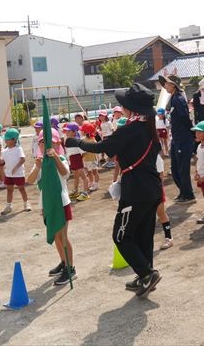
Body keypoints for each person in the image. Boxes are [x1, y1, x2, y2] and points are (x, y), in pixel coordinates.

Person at [66, 84, 163, 296]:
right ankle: (145, 275)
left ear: (131, 109)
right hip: (152, 189)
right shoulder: (148, 128)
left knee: (121, 235)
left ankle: (147, 274)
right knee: (143, 235)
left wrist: (76, 142)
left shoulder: (130, 129)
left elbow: (104, 148)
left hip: (136, 191)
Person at [27, 130, 76, 286]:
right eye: (42, 142)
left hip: (61, 203)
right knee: (56, 236)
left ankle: (70, 268)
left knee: (63, 236)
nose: (46, 145)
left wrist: (55, 157)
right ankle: (63, 262)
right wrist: (37, 167)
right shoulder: (40, 161)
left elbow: (65, 174)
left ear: (58, 143)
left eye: (51, 142)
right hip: (47, 204)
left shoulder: (61, 158)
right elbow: (30, 180)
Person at [161, 74, 196, 203]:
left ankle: (189, 195)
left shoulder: (179, 99)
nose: (165, 85)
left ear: (173, 85)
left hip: (183, 138)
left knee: (182, 169)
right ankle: (183, 192)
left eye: (167, 83)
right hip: (176, 138)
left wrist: (192, 134)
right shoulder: (173, 98)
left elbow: (185, 118)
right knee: (175, 169)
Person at [0, 128, 30, 215]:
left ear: (14, 140)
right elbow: (2, 162)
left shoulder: (18, 149)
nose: (6, 141)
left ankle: (26, 203)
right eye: (5, 139)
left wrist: (16, 168)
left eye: (8, 139)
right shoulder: (4, 151)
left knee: (21, 188)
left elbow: (22, 159)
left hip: (18, 174)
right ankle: (8, 206)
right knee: (9, 190)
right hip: (8, 174)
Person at [63, 122, 89, 202]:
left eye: (68, 131)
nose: (66, 132)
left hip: (77, 159)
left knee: (83, 177)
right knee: (76, 176)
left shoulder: (78, 141)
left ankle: (85, 193)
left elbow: (84, 152)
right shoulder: (68, 140)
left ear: (74, 132)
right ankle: (75, 191)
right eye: (66, 131)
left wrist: (80, 159)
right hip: (72, 160)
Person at [155, 153, 174, 250]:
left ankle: (168, 238)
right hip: (144, 189)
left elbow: (161, 176)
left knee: (161, 213)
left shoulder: (156, 158)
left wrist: (157, 191)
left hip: (155, 189)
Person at [80, 122, 100, 192]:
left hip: (90, 158)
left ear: (86, 131)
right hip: (89, 158)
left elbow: (85, 150)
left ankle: (95, 184)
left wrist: (82, 156)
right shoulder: (87, 138)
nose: (81, 131)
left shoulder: (88, 140)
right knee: (91, 171)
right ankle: (92, 183)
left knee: (93, 172)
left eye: (83, 130)